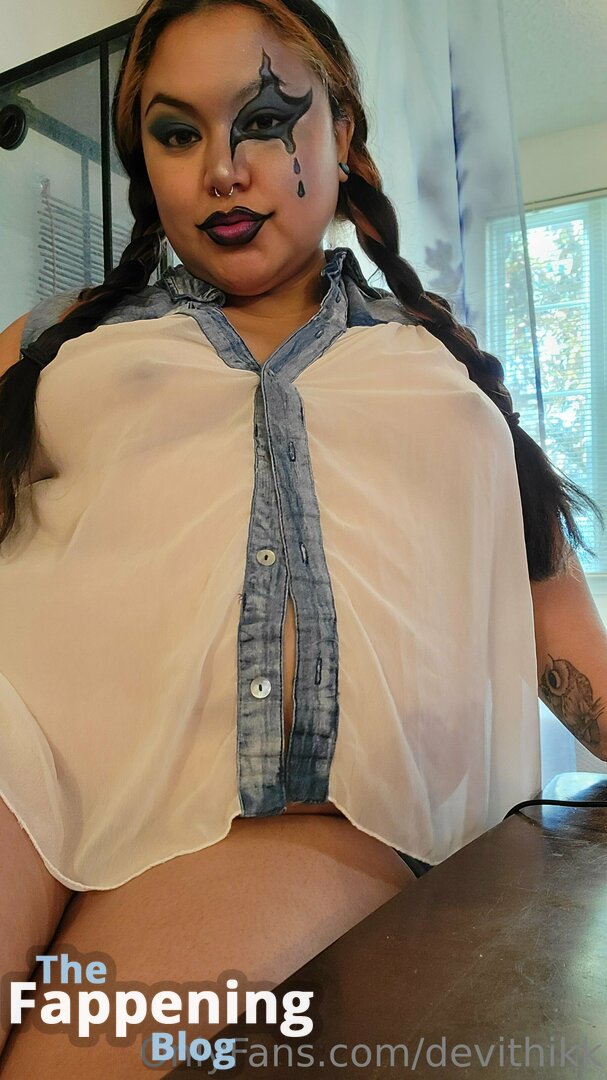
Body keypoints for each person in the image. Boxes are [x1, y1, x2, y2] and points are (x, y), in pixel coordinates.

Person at [0, 0, 605, 1073]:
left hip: (283, 825)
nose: (222, 169)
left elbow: (557, 629)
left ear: (342, 131)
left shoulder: (442, 372)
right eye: (177, 133)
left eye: (266, 119)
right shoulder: (53, 343)